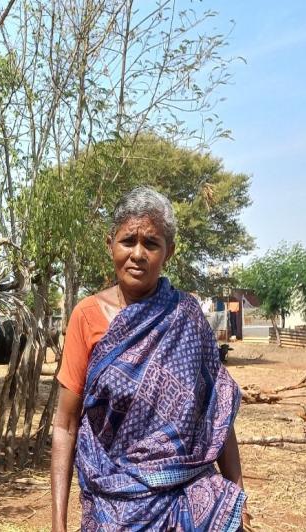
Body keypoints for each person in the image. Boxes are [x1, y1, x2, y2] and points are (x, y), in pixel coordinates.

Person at [51, 187, 250, 531]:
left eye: (151, 244)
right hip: (111, 499)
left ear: (168, 251)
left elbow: (215, 416)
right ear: (110, 243)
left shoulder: (186, 316)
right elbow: (65, 424)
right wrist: (58, 523)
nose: (138, 254)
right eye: (128, 241)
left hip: (184, 492)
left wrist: (237, 492)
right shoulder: (87, 317)